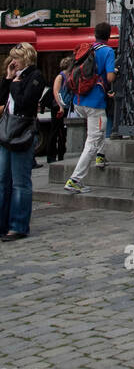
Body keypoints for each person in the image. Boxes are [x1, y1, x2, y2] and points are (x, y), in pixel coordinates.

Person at [64, 21, 116, 193]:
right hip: (95, 102)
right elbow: (109, 78)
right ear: (109, 35)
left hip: (79, 100)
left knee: (100, 125)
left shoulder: (86, 48)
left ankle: (101, 156)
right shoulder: (108, 51)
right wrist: (115, 72)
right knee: (93, 140)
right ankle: (75, 179)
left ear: (95, 34)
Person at [0, 43, 45, 240]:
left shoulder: (35, 76)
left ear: (25, 58)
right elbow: (3, 99)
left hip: (22, 132)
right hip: (6, 131)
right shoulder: (15, 77)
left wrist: (16, 83)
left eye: (16, 58)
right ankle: (2, 222)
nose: (13, 62)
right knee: (3, 180)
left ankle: (18, 225)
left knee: (20, 181)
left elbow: (25, 102)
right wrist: (8, 79)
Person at [46, 57, 73, 164]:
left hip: (66, 106)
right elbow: (56, 92)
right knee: (55, 130)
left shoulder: (69, 76)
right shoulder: (60, 76)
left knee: (63, 131)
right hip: (58, 106)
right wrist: (60, 106)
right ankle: (51, 155)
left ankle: (61, 154)